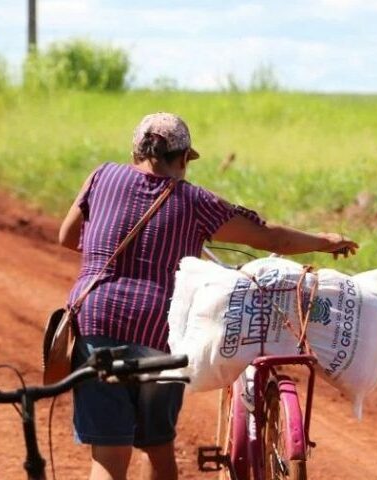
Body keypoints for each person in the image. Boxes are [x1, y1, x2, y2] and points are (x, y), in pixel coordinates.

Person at [58, 112, 359, 480]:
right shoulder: (195, 201)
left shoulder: (101, 176)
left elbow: (67, 237)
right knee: (156, 444)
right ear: (184, 158)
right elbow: (271, 238)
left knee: (109, 456)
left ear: (135, 151)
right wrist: (326, 241)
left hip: (96, 322)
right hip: (159, 332)